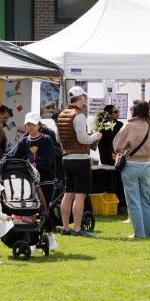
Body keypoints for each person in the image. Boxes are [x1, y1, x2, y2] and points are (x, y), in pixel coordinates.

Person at [5, 112, 59, 252]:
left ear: (39, 125)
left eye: (33, 124)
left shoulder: (46, 140)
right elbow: (12, 154)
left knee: (44, 210)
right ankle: (32, 240)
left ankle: (50, 237)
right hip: (28, 182)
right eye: (28, 124)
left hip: (45, 181)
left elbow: (48, 161)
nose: (30, 127)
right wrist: (1, 162)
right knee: (30, 210)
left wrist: (30, 166)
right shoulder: (24, 141)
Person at [56, 86, 101, 237]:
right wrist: (95, 136)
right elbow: (83, 139)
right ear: (81, 97)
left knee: (68, 193)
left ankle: (65, 228)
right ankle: (77, 229)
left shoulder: (62, 114)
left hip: (66, 158)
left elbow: (58, 138)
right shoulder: (79, 115)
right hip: (80, 159)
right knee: (80, 195)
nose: (86, 99)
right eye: (85, 97)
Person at [113, 100, 150, 239]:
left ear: (134, 111)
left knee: (134, 201)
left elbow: (116, 146)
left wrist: (125, 150)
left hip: (131, 165)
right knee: (146, 201)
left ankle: (139, 234)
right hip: (147, 165)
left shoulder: (129, 126)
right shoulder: (148, 124)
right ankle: (147, 232)